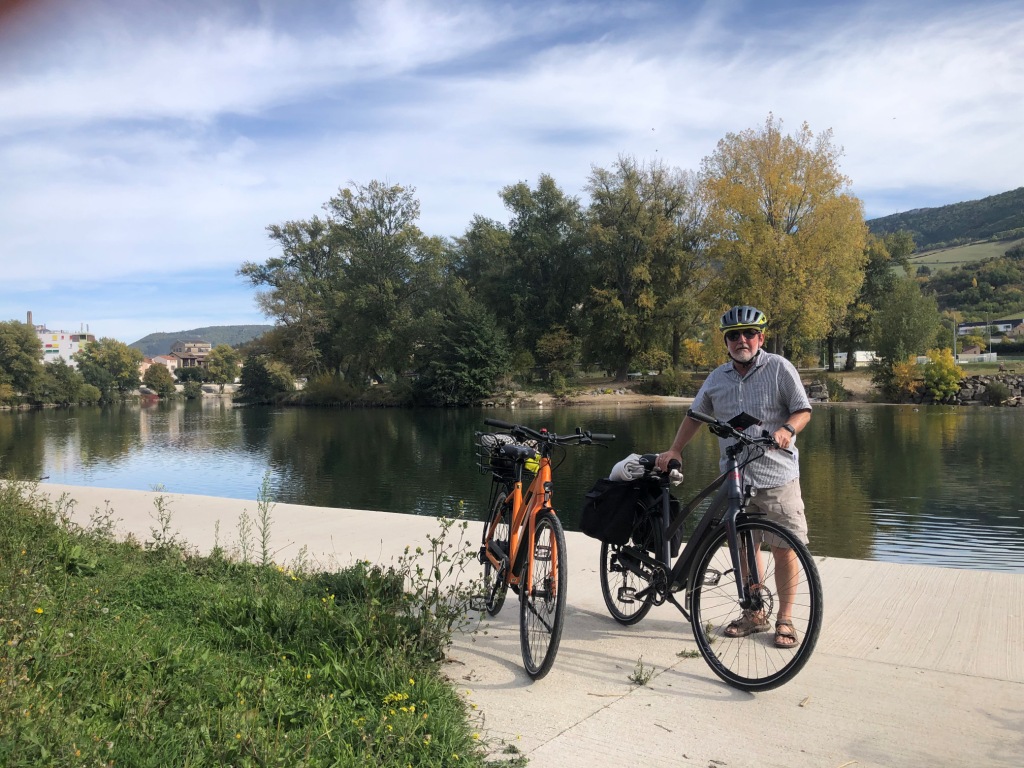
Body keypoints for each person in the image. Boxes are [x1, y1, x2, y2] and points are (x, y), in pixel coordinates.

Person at [655, 305, 812, 649]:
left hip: (776, 475)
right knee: (744, 545)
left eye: (749, 334)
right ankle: (755, 613)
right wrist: (676, 449)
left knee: (785, 548)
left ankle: (784, 618)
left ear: (761, 338)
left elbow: (803, 409)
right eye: (734, 335)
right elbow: (695, 415)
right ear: (726, 341)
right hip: (736, 478)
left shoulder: (779, 369)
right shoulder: (717, 377)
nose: (742, 340)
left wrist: (787, 428)